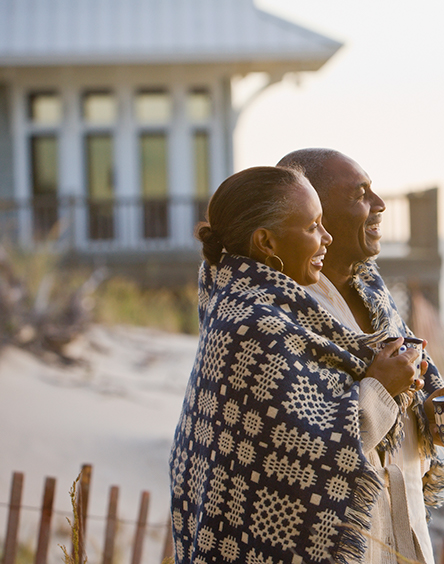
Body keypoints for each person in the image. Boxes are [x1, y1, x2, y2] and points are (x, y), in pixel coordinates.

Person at [168, 166, 424, 564]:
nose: (327, 238)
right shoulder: (253, 324)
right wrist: (378, 386)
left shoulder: (273, 306)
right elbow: (309, 452)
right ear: (266, 241)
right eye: (313, 226)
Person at [277, 149, 444, 564]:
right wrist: (379, 389)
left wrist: (429, 408)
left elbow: (410, 376)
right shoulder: (280, 314)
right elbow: (298, 450)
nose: (379, 205)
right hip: (340, 543)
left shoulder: (374, 290)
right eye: (360, 194)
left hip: (403, 528)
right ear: (312, 210)